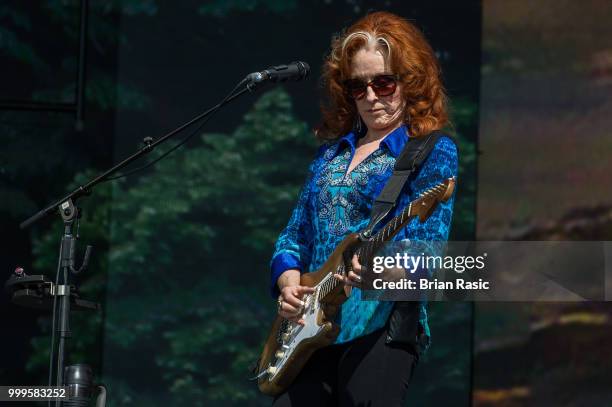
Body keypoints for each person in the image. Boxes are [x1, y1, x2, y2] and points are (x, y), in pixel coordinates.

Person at [269, 11, 458, 406]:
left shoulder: (430, 151)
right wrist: (287, 282)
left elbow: (430, 252)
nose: (371, 96)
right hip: (309, 330)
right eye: (359, 86)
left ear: (410, 82)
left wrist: (385, 270)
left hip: (379, 331)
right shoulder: (330, 156)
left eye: (384, 83)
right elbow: (293, 235)